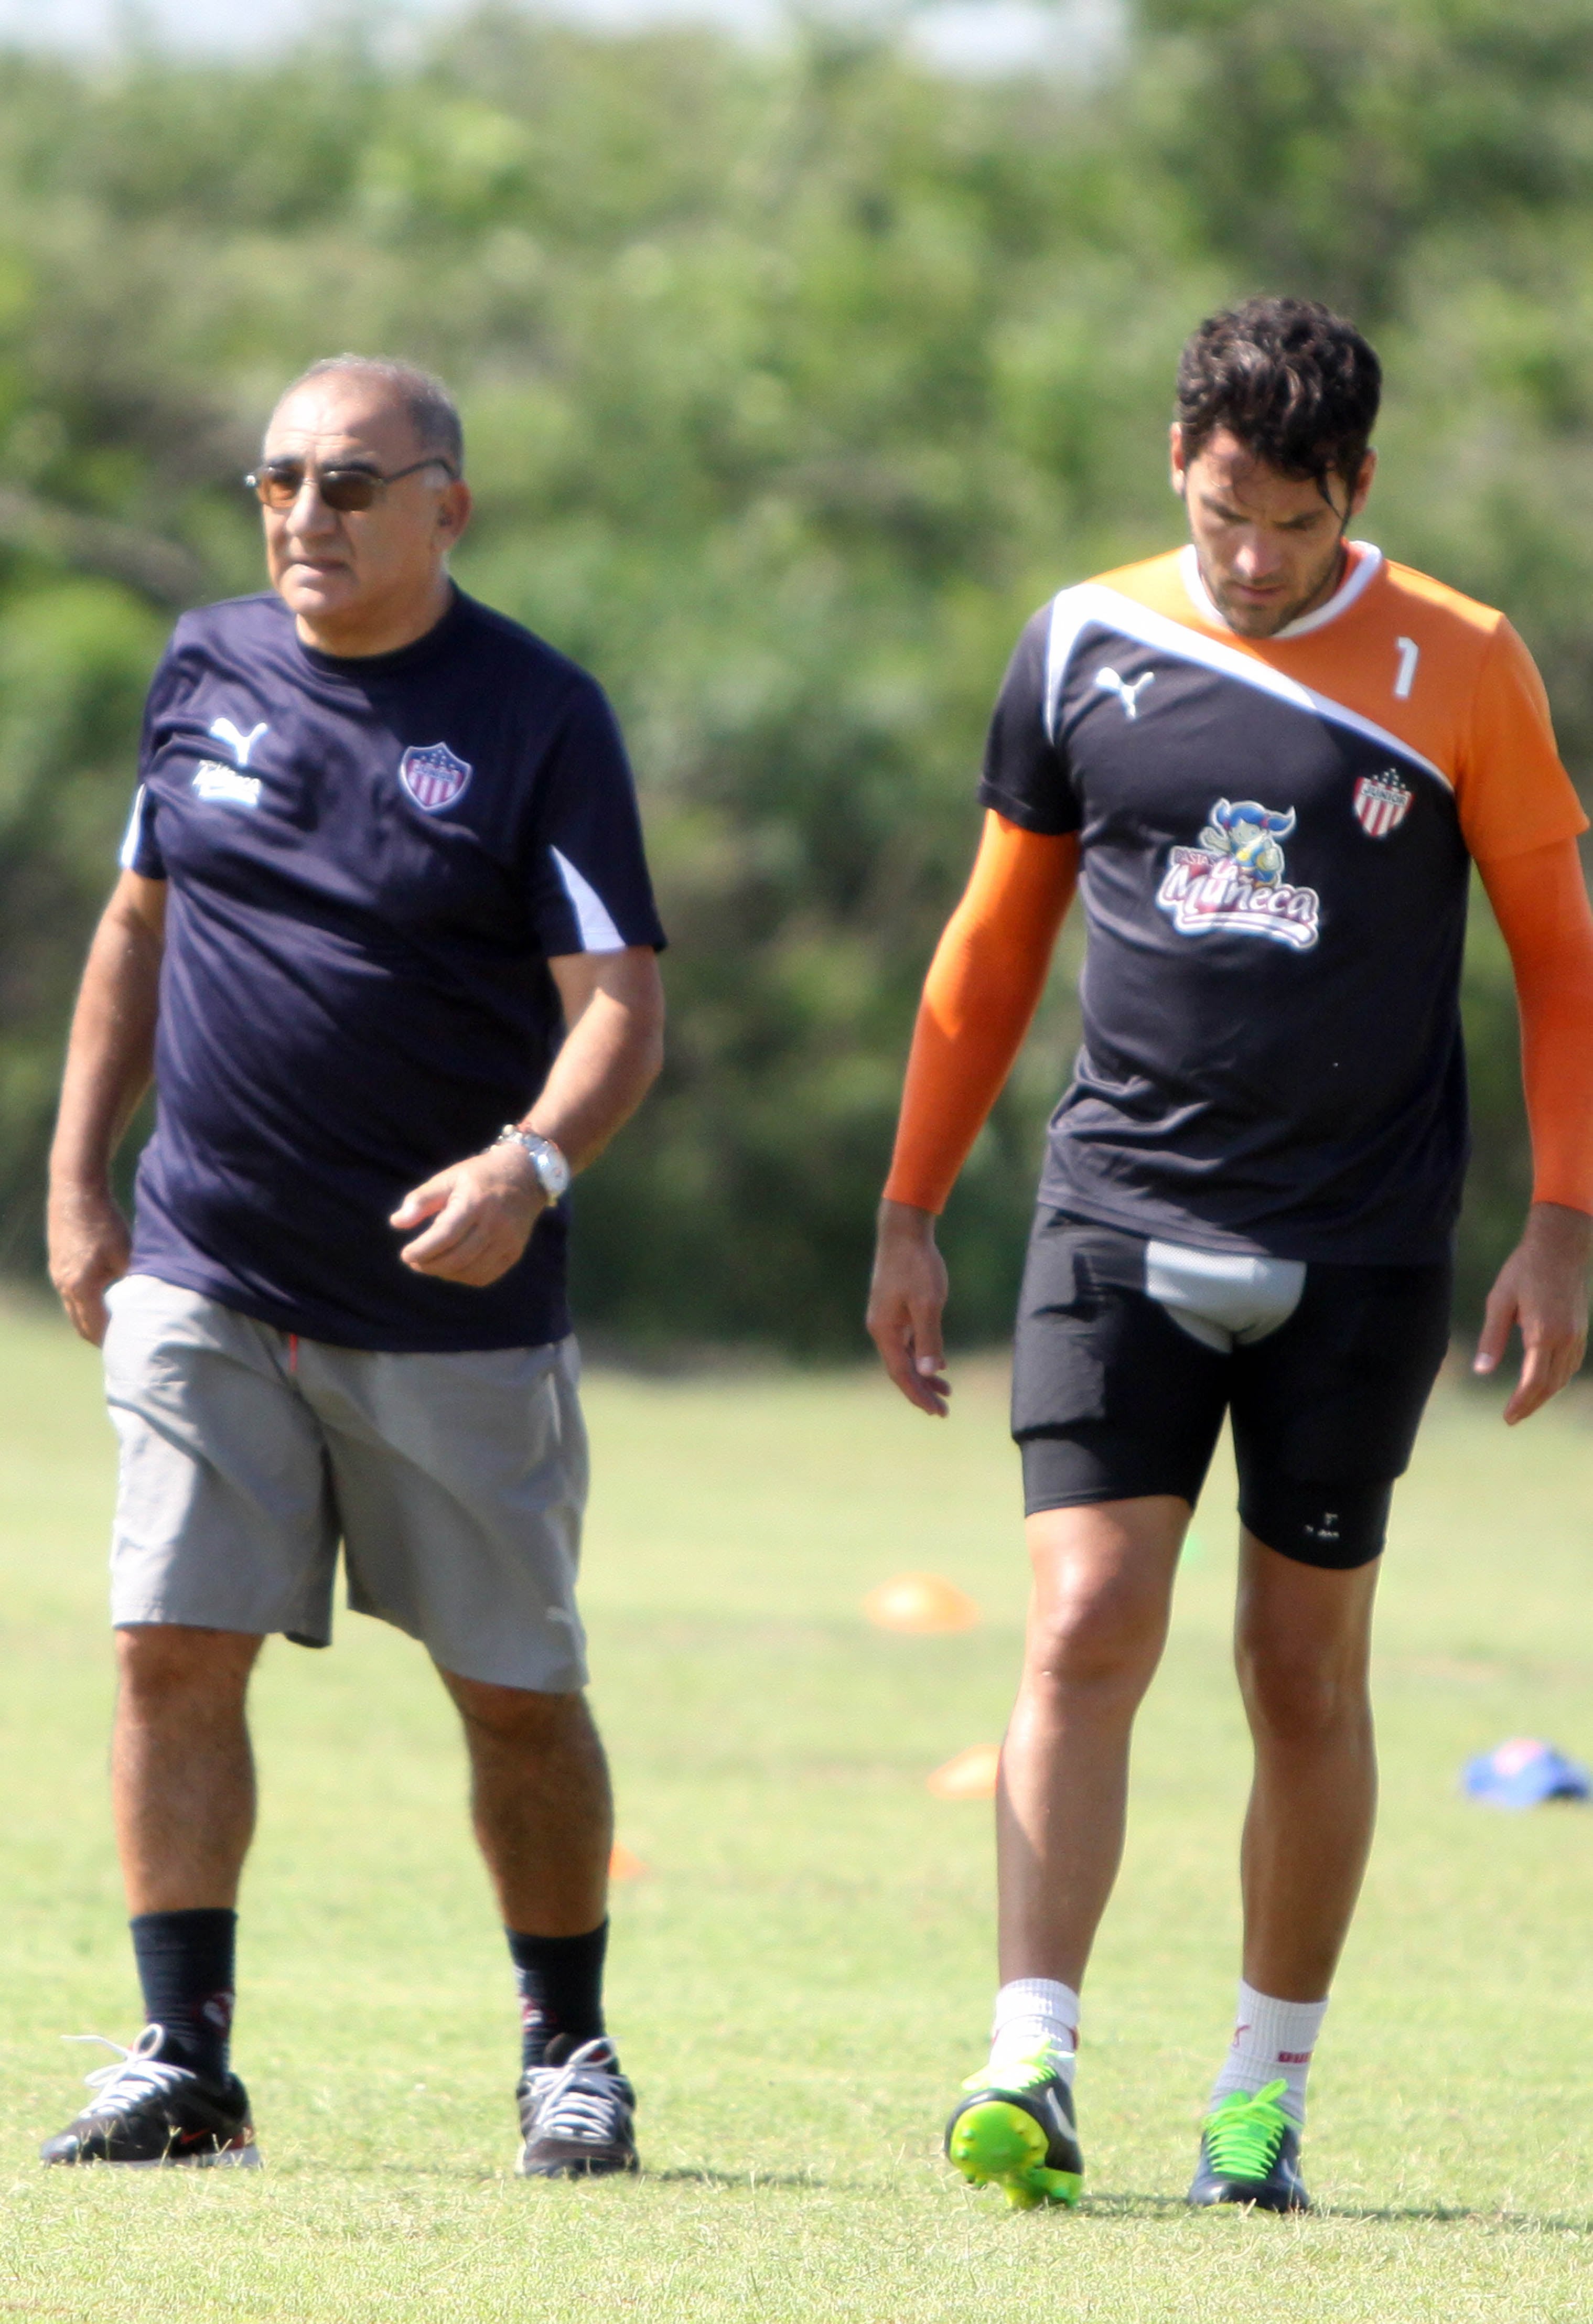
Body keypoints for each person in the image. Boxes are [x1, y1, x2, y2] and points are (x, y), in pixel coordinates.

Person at [867, 297, 1593, 2213]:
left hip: (1358, 1249)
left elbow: (1561, 959)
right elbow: (991, 948)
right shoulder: (1083, 642)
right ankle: (1031, 2059)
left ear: (1358, 486)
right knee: (1086, 1623)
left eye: (1288, 522)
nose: (1251, 562)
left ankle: (1261, 2102)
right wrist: (911, 1203)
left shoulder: (1466, 663)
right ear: (1173, 474)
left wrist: (1565, 1224)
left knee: (1301, 1675)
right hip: (1117, 1213)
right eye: (1218, 517)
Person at [42, 354, 666, 2177]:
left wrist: (530, 1167)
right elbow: (135, 930)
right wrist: (82, 1182)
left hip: (449, 1307)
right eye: (280, 483)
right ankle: (182, 2060)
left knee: (516, 1693)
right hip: (208, 1266)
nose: (307, 516)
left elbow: (620, 999)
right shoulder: (205, 664)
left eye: (352, 484)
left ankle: (569, 2045)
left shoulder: (537, 711)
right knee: (169, 1651)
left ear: (445, 505)